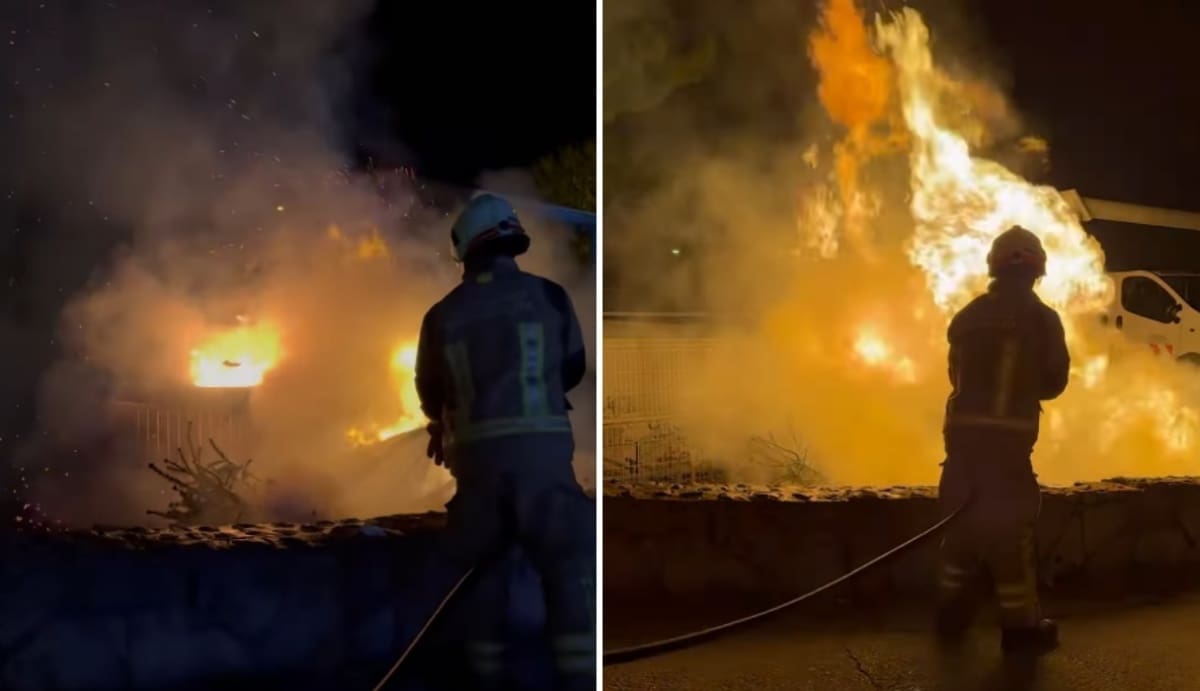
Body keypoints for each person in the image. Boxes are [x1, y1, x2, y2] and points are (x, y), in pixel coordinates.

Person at [415, 193, 595, 689]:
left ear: (465, 252)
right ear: (511, 241)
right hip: (544, 461)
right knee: (570, 564)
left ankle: (487, 679)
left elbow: (430, 392)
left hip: (476, 464)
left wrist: (441, 424)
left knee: (481, 575)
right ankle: (580, 676)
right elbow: (572, 368)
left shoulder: (441, 316)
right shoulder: (551, 296)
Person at [934, 225, 1070, 655]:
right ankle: (1021, 629)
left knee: (957, 529)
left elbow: (955, 374)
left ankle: (951, 614)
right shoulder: (1043, 319)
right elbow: (1053, 383)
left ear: (993, 267)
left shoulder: (967, 316)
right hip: (1008, 450)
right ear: (1037, 270)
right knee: (1011, 536)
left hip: (961, 445)